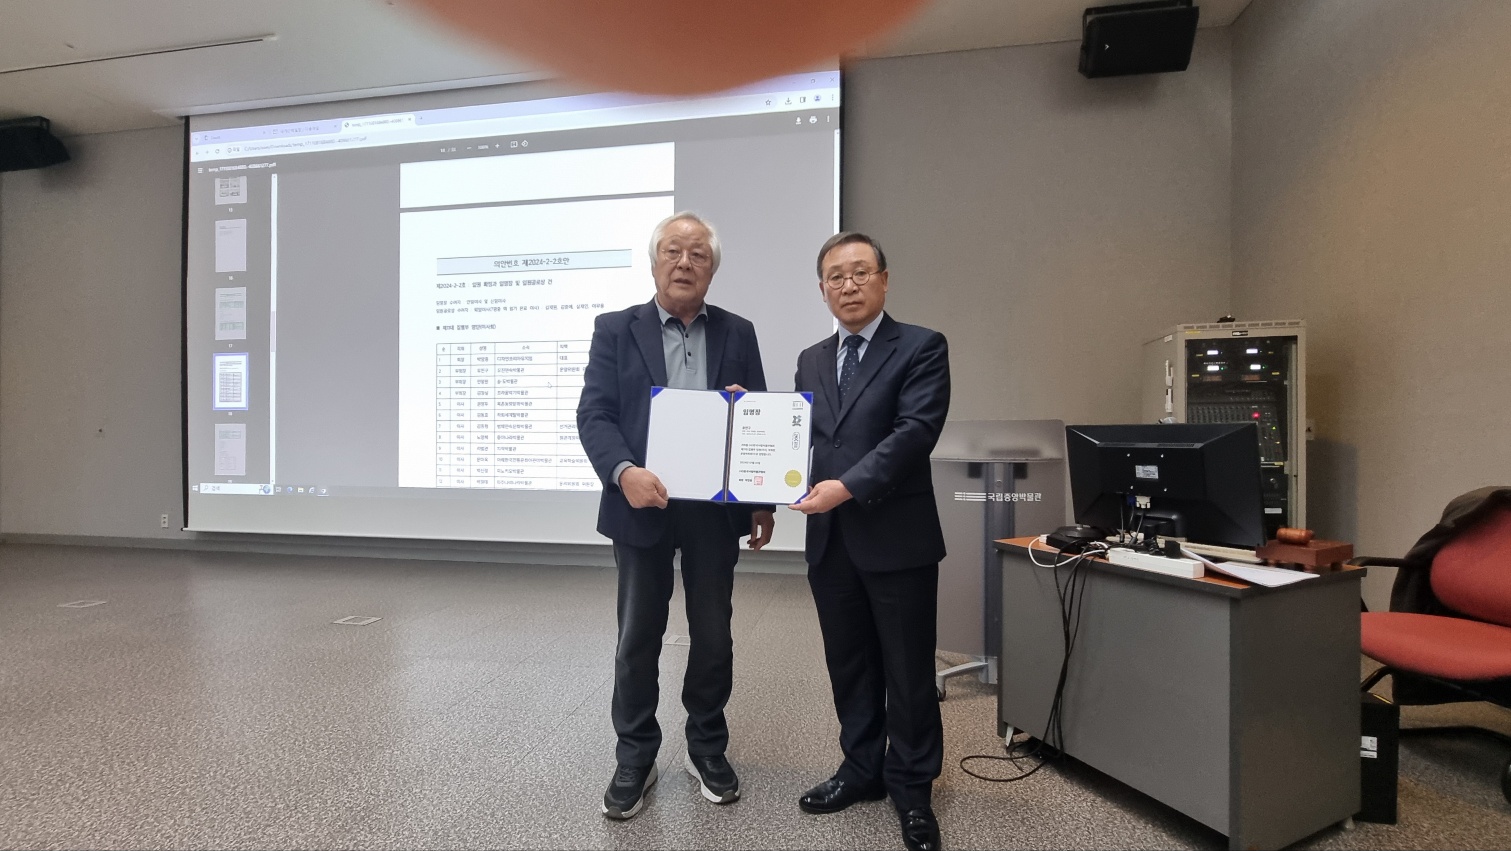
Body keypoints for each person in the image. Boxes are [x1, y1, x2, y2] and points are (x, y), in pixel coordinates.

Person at [577, 211, 775, 820]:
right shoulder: (616, 329)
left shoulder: (738, 332)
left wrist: (761, 499)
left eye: (698, 255)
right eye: (673, 251)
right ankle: (635, 755)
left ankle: (706, 746)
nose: (684, 263)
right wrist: (624, 472)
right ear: (654, 261)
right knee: (639, 635)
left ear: (712, 268)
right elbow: (595, 414)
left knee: (714, 634)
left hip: (713, 511)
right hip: (642, 505)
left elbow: (758, 420)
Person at [789, 232, 950, 851]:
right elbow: (802, 438)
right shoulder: (809, 358)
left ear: (884, 279)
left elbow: (914, 433)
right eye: (836, 276)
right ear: (822, 289)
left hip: (896, 537)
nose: (848, 285)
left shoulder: (921, 346)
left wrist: (845, 488)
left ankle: (912, 789)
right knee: (849, 664)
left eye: (860, 272)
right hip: (831, 543)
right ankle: (861, 770)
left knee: (907, 671)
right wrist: (749, 422)